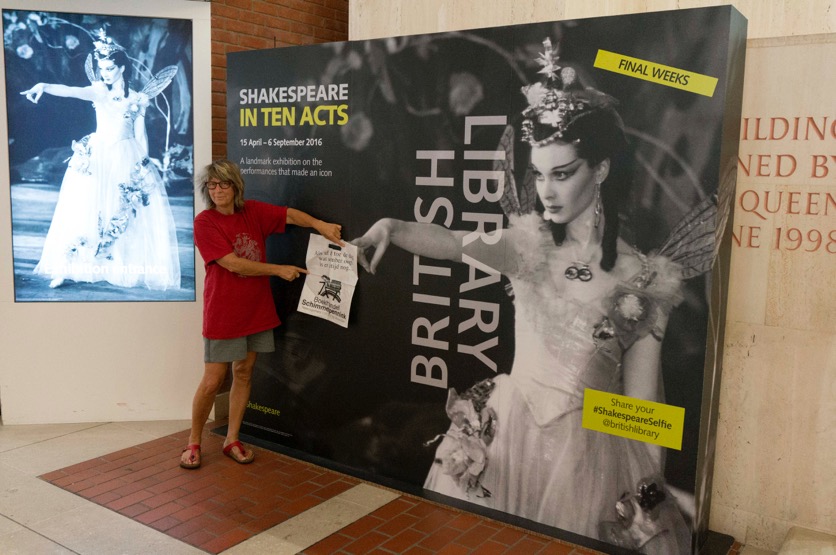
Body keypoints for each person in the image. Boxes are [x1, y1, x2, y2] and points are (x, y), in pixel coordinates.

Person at [352, 39, 691, 553]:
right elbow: (451, 242)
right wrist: (392, 227)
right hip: (507, 434)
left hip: (588, 458)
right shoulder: (525, 244)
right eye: (539, 174)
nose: (547, 190)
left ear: (599, 171)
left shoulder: (643, 279)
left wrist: (647, 505)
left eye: (563, 173)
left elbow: (645, 402)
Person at [180, 159, 343, 469]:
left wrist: (320, 226)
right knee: (213, 381)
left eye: (223, 184)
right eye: (211, 186)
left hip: (256, 311)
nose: (217, 190)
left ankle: (232, 439)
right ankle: (194, 441)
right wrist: (278, 270)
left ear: (235, 187)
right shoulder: (205, 222)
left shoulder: (252, 211)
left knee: (244, 372)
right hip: (223, 313)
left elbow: (289, 215)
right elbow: (232, 263)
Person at [21, 30, 180, 290]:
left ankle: (116, 264)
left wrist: (143, 164)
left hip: (127, 154)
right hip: (98, 154)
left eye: (109, 68)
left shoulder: (138, 98)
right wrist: (45, 87)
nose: (104, 73)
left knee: (121, 209)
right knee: (85, 206)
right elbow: (71, 91)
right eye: (101, 68)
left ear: (122, 68)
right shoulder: (99, 91)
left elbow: (140, 132)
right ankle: (70, 266)